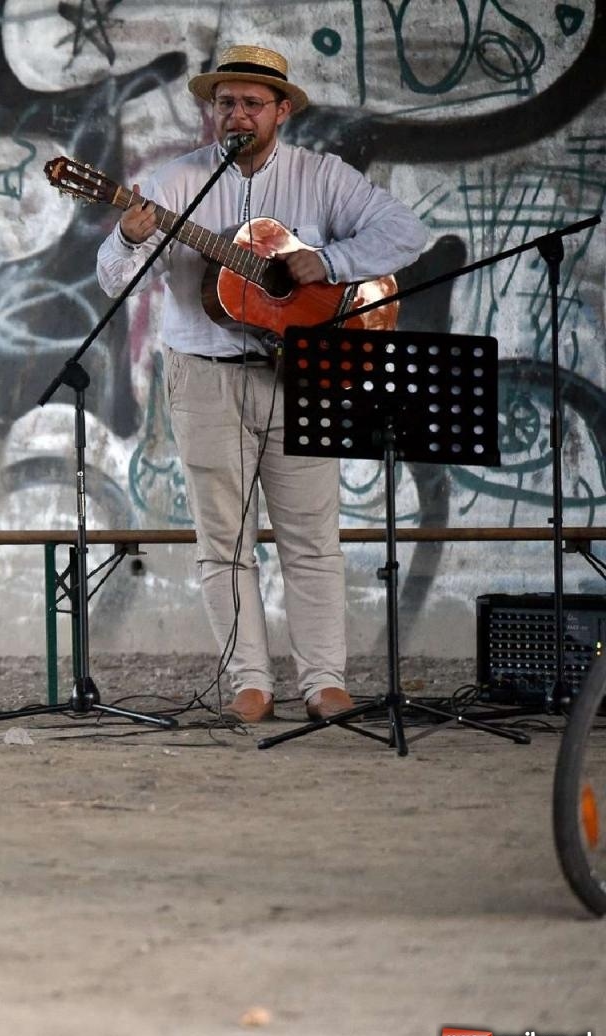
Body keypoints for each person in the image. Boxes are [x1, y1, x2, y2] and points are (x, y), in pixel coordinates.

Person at [94, 44, 429, 723]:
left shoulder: (320, 178)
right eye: (225, 103)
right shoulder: (172, 184)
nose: (237, 114)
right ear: (211, 112)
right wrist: (132, 240)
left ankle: (323, 680)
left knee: (311, 535)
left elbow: (406, 233)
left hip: (300, 373)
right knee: (224, 541)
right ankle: (250, 680)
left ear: (281, 110)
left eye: (252, 103)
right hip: (203, 377)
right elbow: (111, 279)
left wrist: (326, 259)